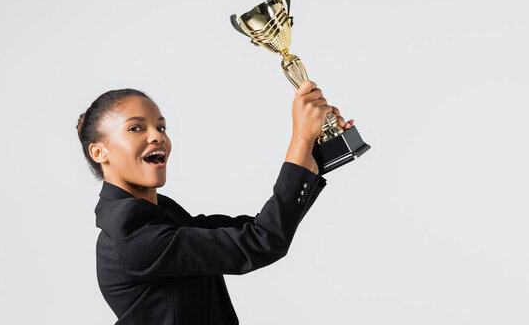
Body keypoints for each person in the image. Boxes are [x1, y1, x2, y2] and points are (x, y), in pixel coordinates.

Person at [76, 81, 354, 324]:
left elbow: (256, 228)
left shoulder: (156, 212)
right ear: (100, 152)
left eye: (161, 126)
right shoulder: (132, 233)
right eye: (136, 128)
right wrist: (301, 138)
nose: (157, 135)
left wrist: (317, 146)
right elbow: (262, 241)